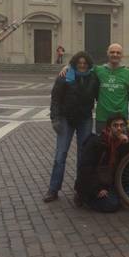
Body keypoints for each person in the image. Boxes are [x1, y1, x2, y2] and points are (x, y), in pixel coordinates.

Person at [44, 51, 99, 203]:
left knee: (83, 156)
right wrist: (55, 118)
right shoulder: (65, 75)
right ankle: (53, 189)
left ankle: (80, 190)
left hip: (85, 119)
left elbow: (101, 94)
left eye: (85, 63)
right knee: (60, 155)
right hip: (66, 118)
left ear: (88, 64)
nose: (82, 65)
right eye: (79, 63)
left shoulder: (94, 77)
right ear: (75, 63)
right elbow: (55, 98)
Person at [59, 44, 129, 134]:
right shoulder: (98, 70)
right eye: (112, 52)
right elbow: (82, 67)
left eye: (118, 52)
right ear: (107, 53)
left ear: (122, 55)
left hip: (121, 119)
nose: (115, 55)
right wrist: (69, 66)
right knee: (101, 146)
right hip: (102, 117)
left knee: (122, 146)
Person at [75, 114, 129, 212]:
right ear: (109, 128)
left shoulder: (123, 141)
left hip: (109, 179)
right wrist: (97, 189)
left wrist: (126, 145)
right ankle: (84, 198)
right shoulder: (97, 142)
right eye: (115, 125)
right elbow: (85, 169)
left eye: (122, 125)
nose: (119, 128)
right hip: (95, 182)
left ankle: (114, 192)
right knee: (113, 204)